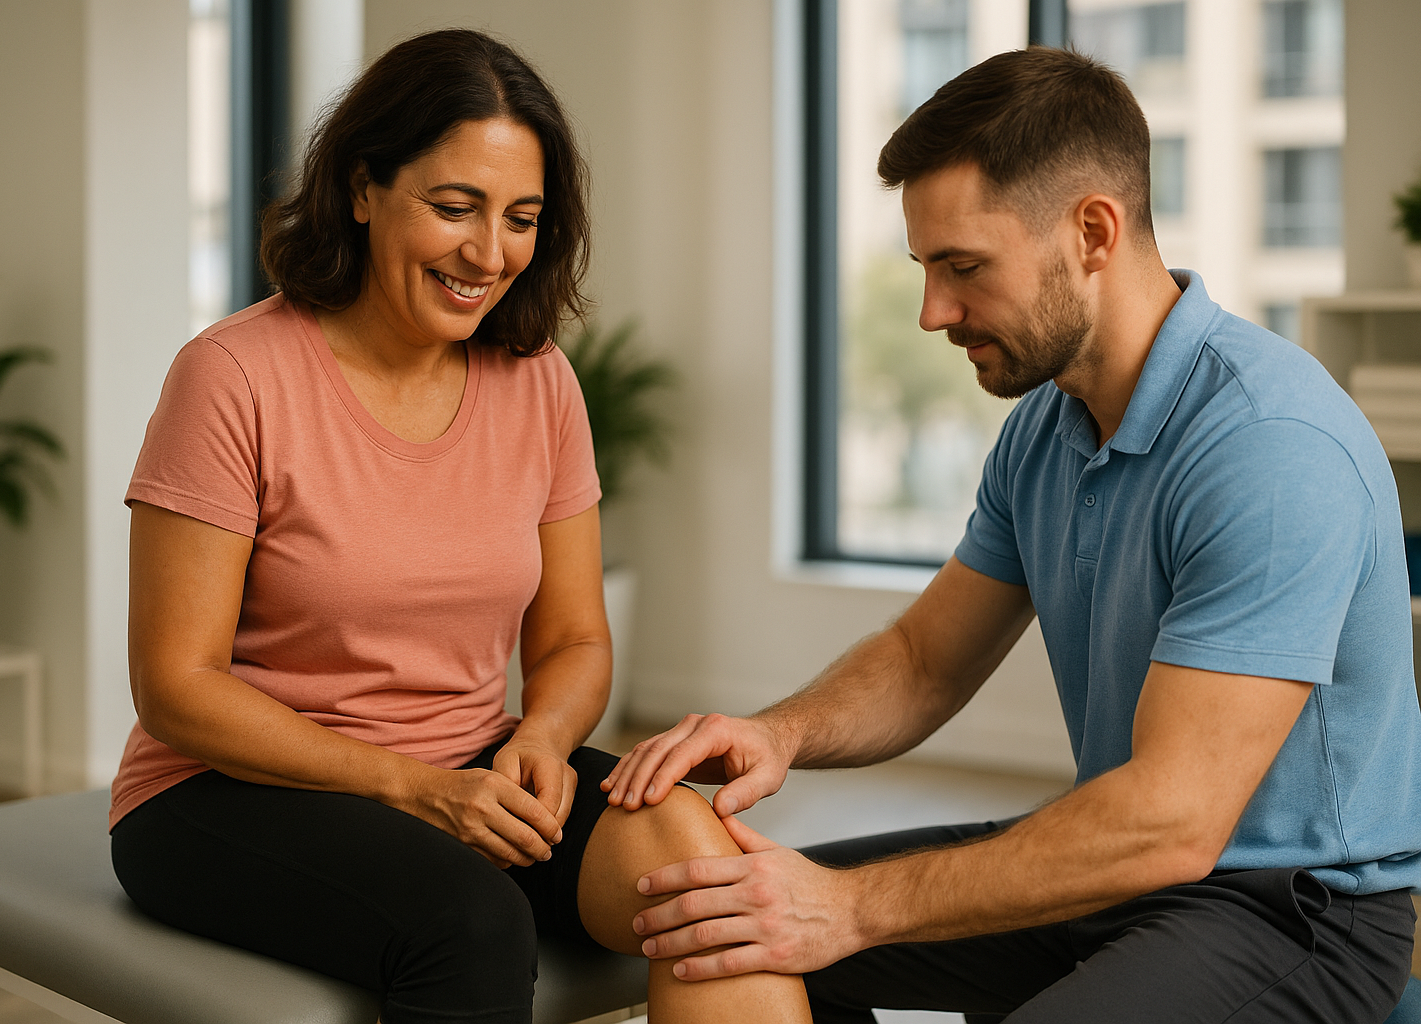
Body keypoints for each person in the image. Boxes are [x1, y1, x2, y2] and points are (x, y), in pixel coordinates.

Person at [604, 46, 1421, 1024]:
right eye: (925, 269)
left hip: (1295, 913)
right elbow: (921, 660)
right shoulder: (1047, 426)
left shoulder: (1269, 445)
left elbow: (1171, 821)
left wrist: (852, 907)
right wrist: (778, 733)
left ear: (1092, 231)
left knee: (808, 915)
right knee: (720, 930)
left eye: (963, 269)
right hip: (1113, 868)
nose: (931, 312)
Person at [107, 29, 811, 1024]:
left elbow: (572, 638)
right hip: (221, 792)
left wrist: (545, 735)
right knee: (472, 923)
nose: (490, 254)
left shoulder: (540, 382)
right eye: (454, 207)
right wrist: (412, 788)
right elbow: (177, 687)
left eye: (521, 218)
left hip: (472, 766)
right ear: (361, 188)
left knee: (716, 883)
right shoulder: (232, 376)